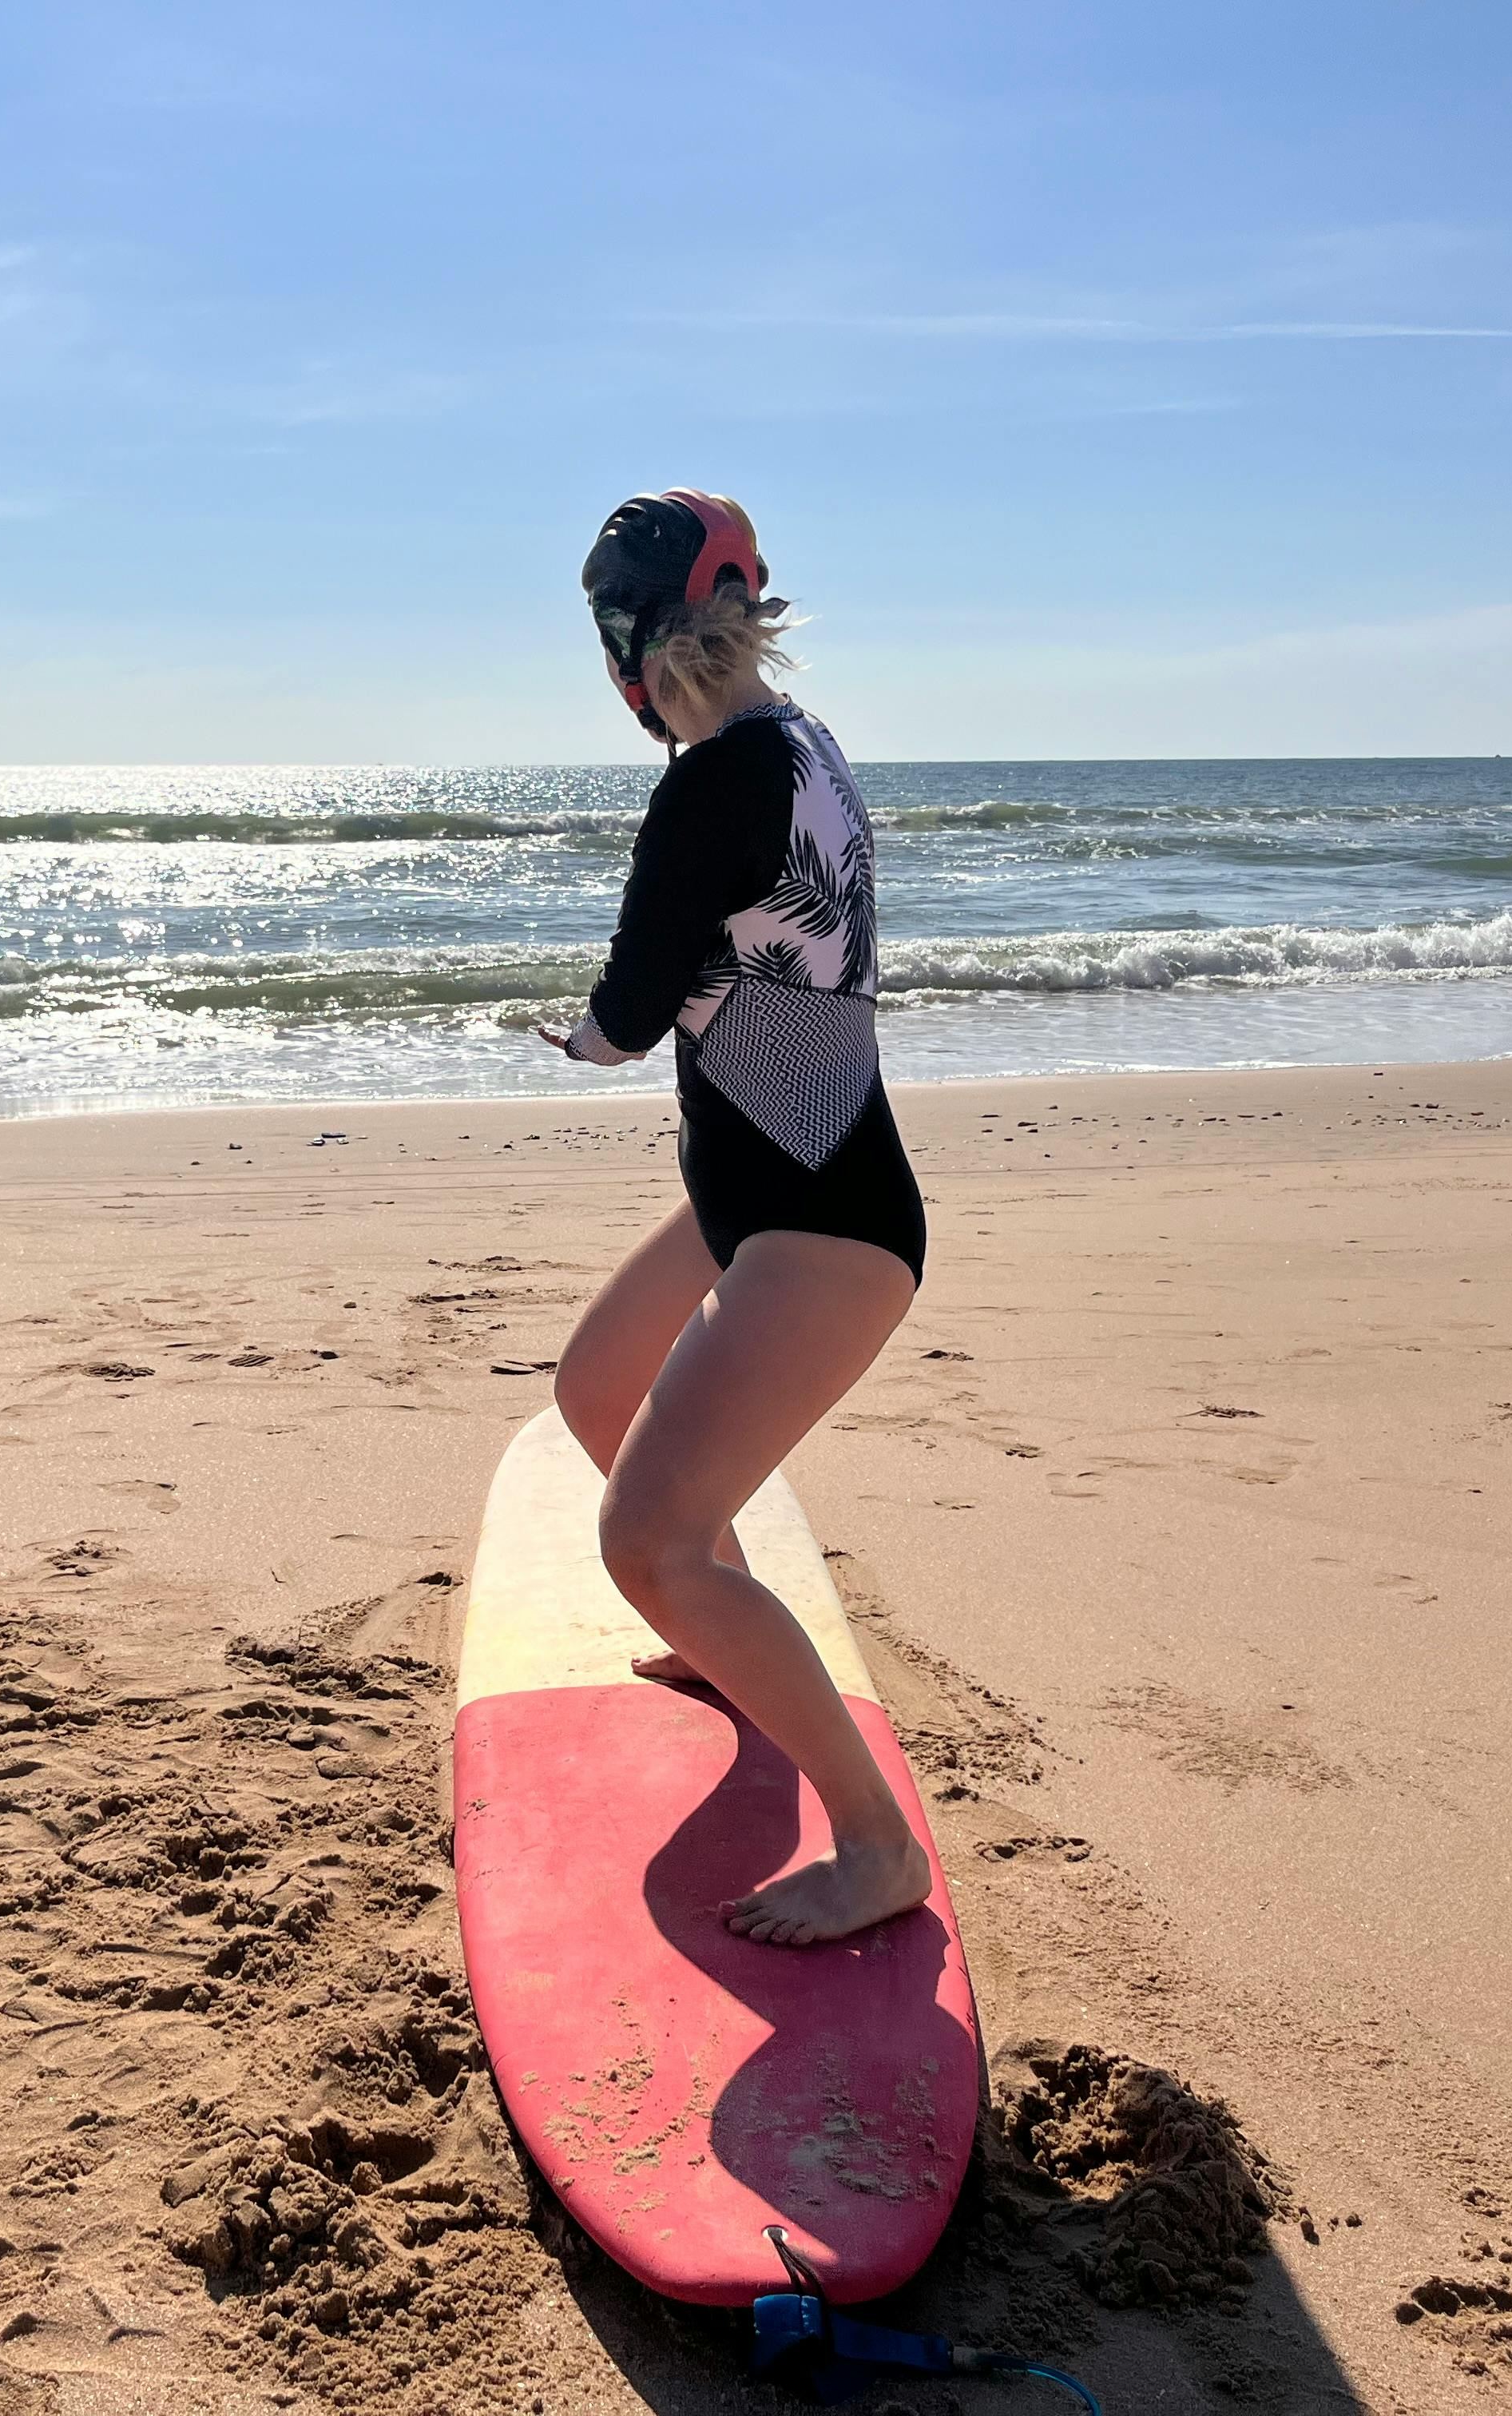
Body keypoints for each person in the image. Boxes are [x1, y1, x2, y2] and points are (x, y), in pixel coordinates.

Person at [538, 490, 934, 1946]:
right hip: (760, 1192)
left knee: (645, 1543)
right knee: (594, 1390)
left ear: (629, 644)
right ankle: (729, 1638)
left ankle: (881, 1848)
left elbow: (631, 1012)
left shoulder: (711, 782)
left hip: (821, 1221)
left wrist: (576, 1040)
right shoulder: (800, 746)